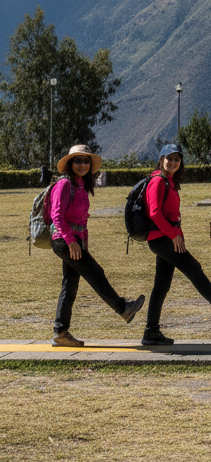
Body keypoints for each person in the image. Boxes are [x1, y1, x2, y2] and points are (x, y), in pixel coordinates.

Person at [141, 142, 211, 346]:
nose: (172, 162)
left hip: (165, 237)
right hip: (162, 238)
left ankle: (150, 332)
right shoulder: (158, 181)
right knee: (193, 267)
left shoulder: (169, 182)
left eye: (176, 159)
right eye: (169, 158)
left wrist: (176, 233)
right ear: (161, 160)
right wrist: (173, 235)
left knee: (161, 286)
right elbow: (154, 213)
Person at [49, 144, 146, 347]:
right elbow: (56, 215)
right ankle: (123, 309)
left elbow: (80, 220)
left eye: (86, 161)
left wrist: (80, 244)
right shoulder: (64, 184)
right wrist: (71, 241)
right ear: (70, 163)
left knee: (70, 285)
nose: (83, 164)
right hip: (64, 240)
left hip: (74, 242)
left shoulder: (80, 185)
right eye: (78, 160)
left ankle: (61, 331)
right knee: (96, 273)